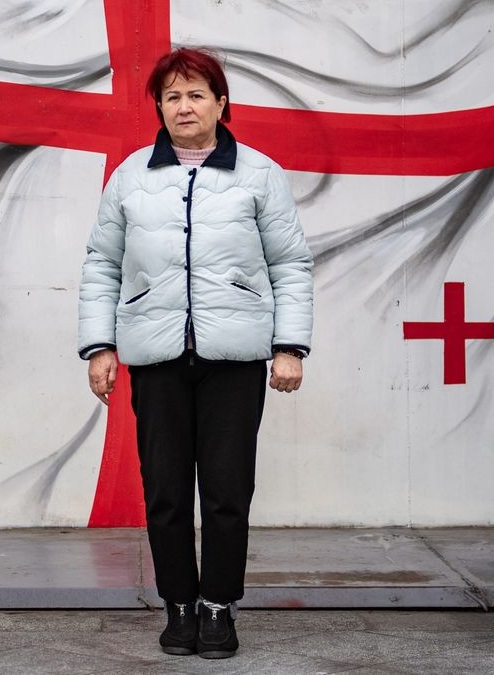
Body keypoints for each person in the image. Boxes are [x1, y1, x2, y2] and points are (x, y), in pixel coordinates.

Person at [78, 47, 314, 659]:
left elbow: (291, 265)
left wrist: (288, 346)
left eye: (196, 94)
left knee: (228, 491)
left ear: (221, 103)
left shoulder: (259, 174)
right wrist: (100, 345)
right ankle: (178, 605)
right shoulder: (131, 176)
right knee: (165, 490)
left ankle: (219, 608)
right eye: (172, 96)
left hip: (234, 360)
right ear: (159, 106)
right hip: (155, 358)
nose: (184, 106)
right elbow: (102, 264)